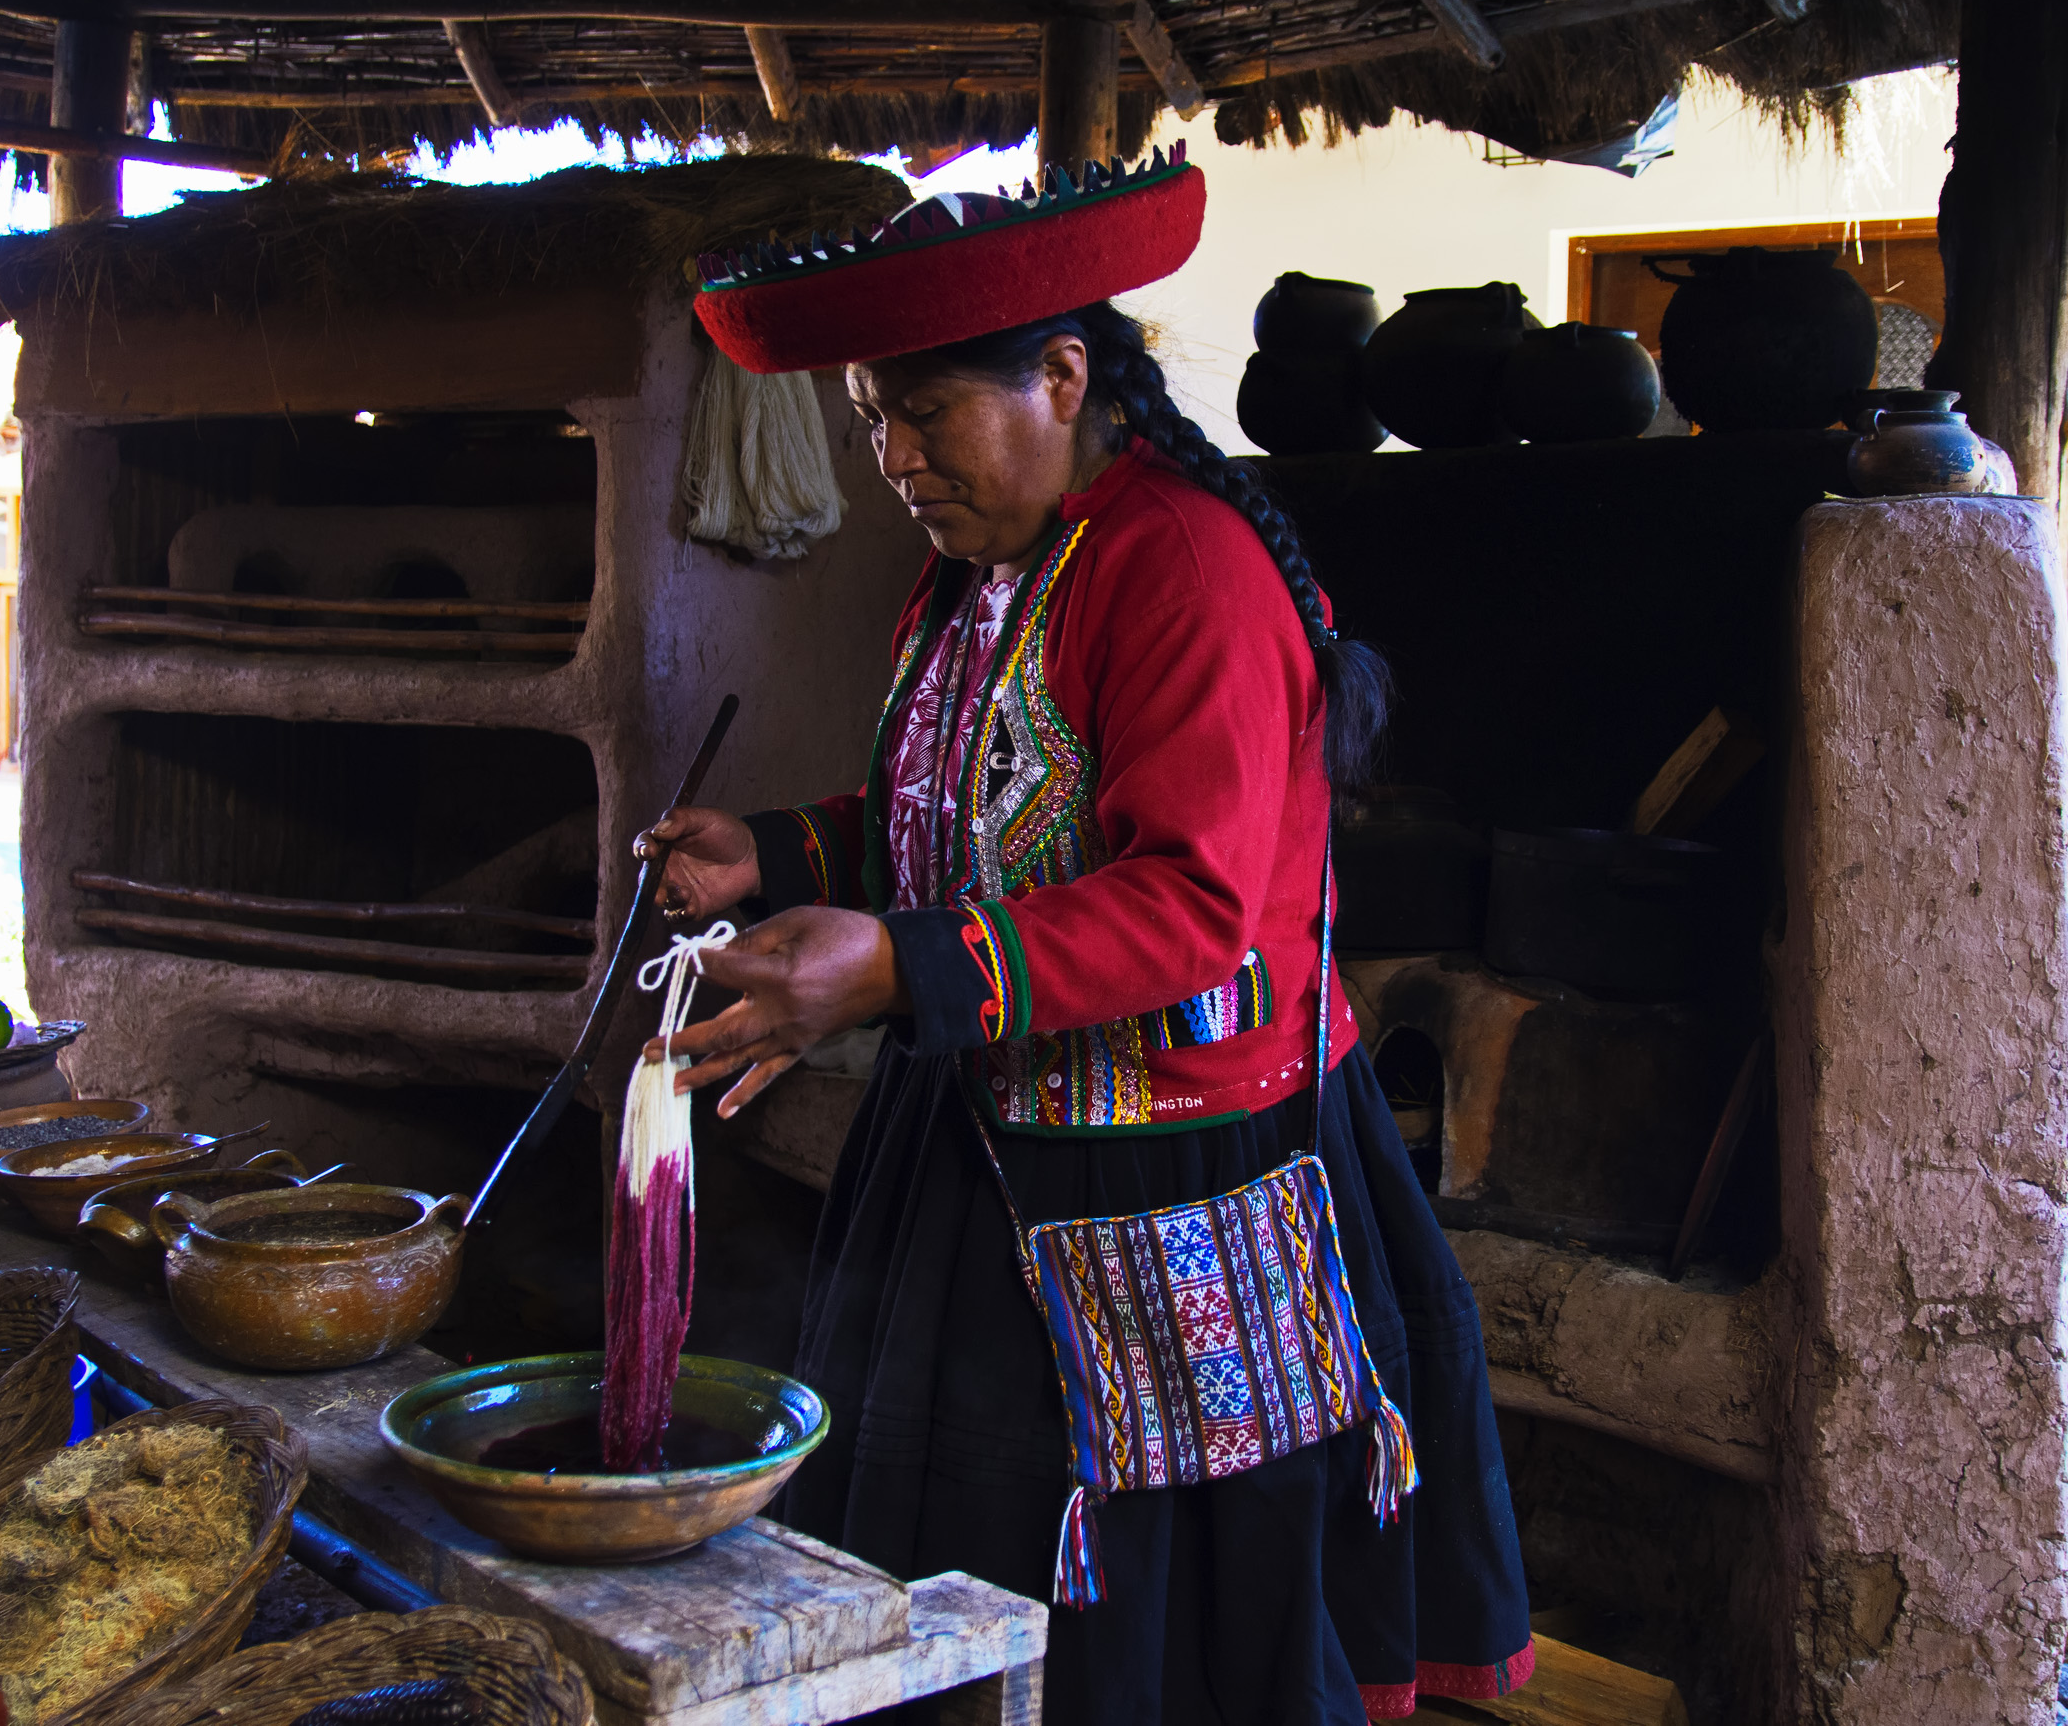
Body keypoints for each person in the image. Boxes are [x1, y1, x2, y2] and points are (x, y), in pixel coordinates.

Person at [641, 148, 1531, 1725]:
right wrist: (775, 855)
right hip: (986, 1130)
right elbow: (965, 811)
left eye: (925, 415)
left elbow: (1189, 904)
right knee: (966, 1574)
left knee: (1152, 1638)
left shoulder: (1176, 565)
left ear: (1063, 375)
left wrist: (897, 967)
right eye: (871, 424)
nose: (894, 458)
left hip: (1177, 1168)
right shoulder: (980, 576)